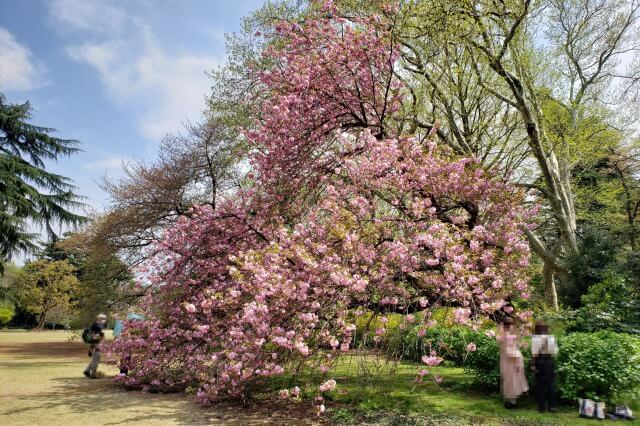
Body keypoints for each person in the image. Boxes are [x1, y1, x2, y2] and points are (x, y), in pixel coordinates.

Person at [497, 317, 528, 408]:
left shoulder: (502, 336)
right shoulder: (508, 337)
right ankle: (511, 402)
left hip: (505, 362)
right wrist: (517, 361)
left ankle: (508, 401)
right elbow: (509, 352)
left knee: (508, 381)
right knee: (512, 381)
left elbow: (511, 347)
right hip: (511, 362)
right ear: (509, 326)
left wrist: (519, 345)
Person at [531, 321, 558, 412]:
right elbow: (554, 353)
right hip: (549, 362)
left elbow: (534, 354)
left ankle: (541, 407)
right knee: (551, 385)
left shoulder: (535, 339)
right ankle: (552, 406)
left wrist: (533, 365)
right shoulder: (551, 338)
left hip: (539, 362)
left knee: (540, 385)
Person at [84, 314, 107, 378]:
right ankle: (93, 374)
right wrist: (102, 339)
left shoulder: (94, 325)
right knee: (96, 358)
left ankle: (87, 370)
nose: (105, 321)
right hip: (95, 344)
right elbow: (96, 337)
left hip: (92, 344)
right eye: (104, 319)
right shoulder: (97, 326)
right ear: (100, 319)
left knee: (95, 358)